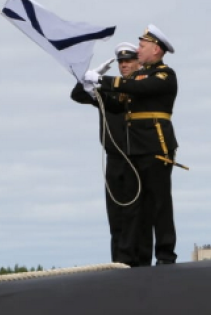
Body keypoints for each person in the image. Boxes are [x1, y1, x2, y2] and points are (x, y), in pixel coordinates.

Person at [85, 24, 179, 265]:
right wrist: (92, 90)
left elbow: (138, 88)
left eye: (142, 46)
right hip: (134, 148)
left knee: (159, 202)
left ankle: (166, 254)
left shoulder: (164, 74)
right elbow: (118, 103)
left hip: (156, 145)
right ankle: (135, 258)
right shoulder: (138, 76)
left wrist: (104, 80)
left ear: (156, 49)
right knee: (137, 206)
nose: (138, 51)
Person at [71, 42, 147, 266]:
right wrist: (91, 77)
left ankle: (139, 261)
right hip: (114, 158)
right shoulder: (108, 87)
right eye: (121, 62)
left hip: (136, 157)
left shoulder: (145, 87)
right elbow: (77, 95)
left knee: (137, 214)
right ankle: (119, 261)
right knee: (116, 214)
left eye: (129, 61)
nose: (124, 65)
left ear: (138, 62)